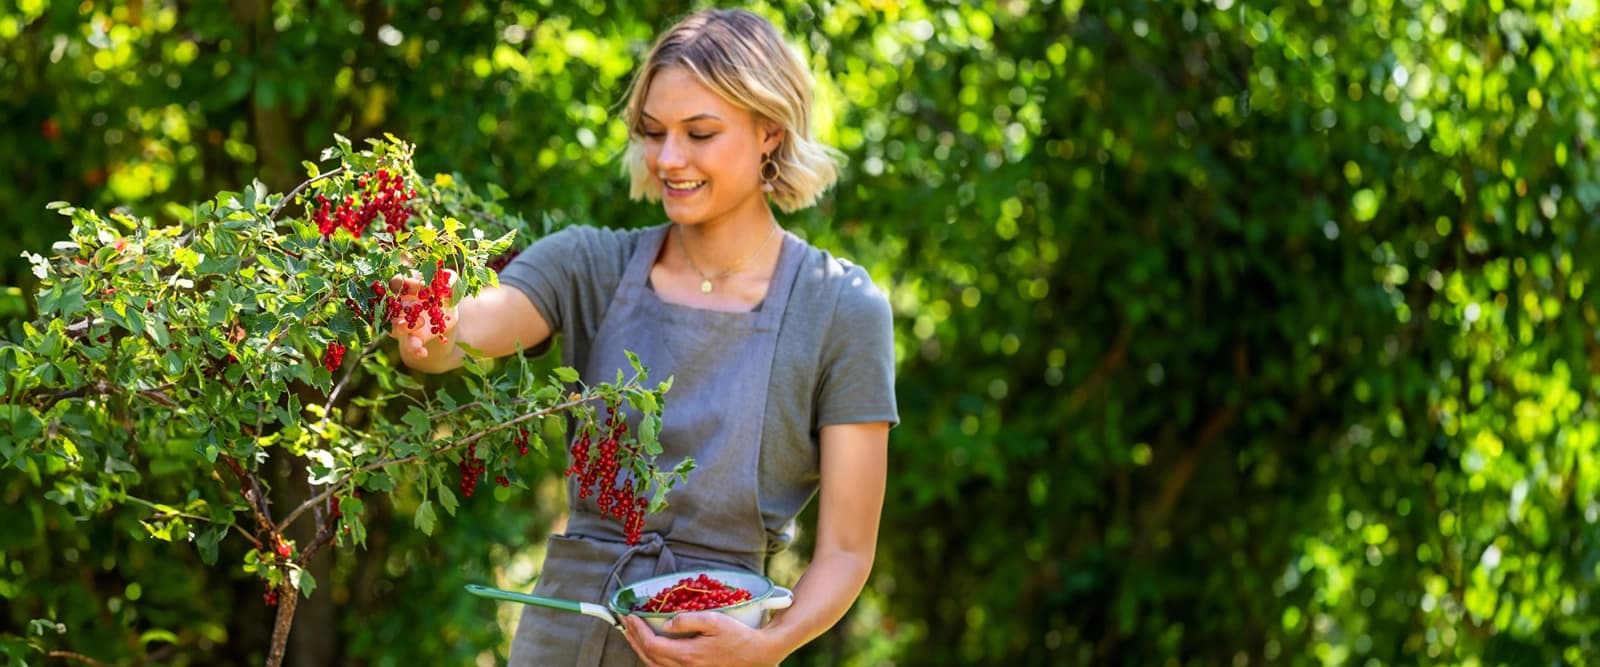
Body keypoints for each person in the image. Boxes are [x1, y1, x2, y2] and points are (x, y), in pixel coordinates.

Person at [389, 8, 896, 666]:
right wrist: (429, 331)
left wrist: (765, 646)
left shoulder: (841, 307)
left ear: (770, 131)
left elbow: (848, 551)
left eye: (700, 132)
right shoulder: (588, 265)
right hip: (565, 639)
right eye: (653, 132)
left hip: (714, 643)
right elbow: (467, 330)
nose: (668, 158)